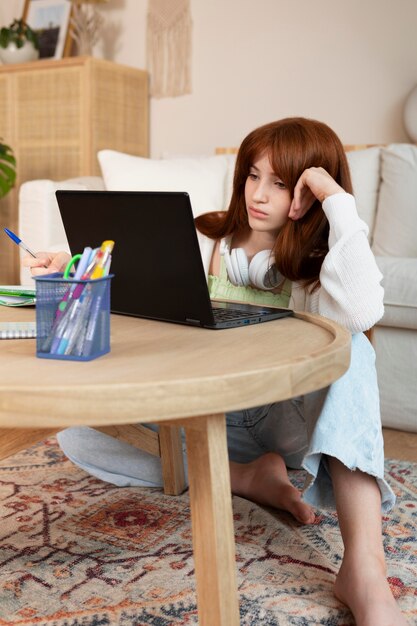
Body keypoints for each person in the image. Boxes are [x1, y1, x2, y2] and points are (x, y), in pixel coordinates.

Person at [24, 117, 408, 626]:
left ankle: (364, 569)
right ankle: (246, 476)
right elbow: (142, 276)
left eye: (281, 183)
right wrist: (74, 262)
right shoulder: (207, 239)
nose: (260, 194)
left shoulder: (323, 263)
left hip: (284, 418)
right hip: (214, 417)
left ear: (309, 195)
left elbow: (362, 314)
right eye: (253, 176)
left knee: (354, 350)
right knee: (79, 429)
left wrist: (336, 199)